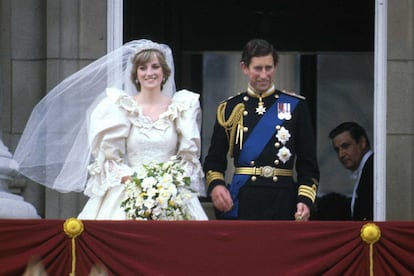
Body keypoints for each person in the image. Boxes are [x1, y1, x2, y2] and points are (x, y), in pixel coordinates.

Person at [13, 39, 207, 220]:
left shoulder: (182, 107)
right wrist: (136, 183)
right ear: (136, 74)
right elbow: (109, 160)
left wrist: (168, 184)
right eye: (143, 67)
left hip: (171, 193)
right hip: (129, 189)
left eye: (155, 66)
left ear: (164, 72)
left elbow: (188, 160)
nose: (150, 73)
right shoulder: (119, 107)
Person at [203, 38, 319, 220]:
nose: (264, 75)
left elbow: (308, 164)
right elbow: (214, 160)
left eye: (269, 68)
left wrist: (304, 199)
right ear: (244, 68)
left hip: (283, 201)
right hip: (244, 199)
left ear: (276, 66)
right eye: (258, 68)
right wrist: (217, 185)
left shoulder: (295, 106)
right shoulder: (231, 108)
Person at [328, 122, 373, 221]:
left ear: (362, 142)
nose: (341, 155)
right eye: (337, 150)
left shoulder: (373, 170)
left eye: (345, 146)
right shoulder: (366, 168)